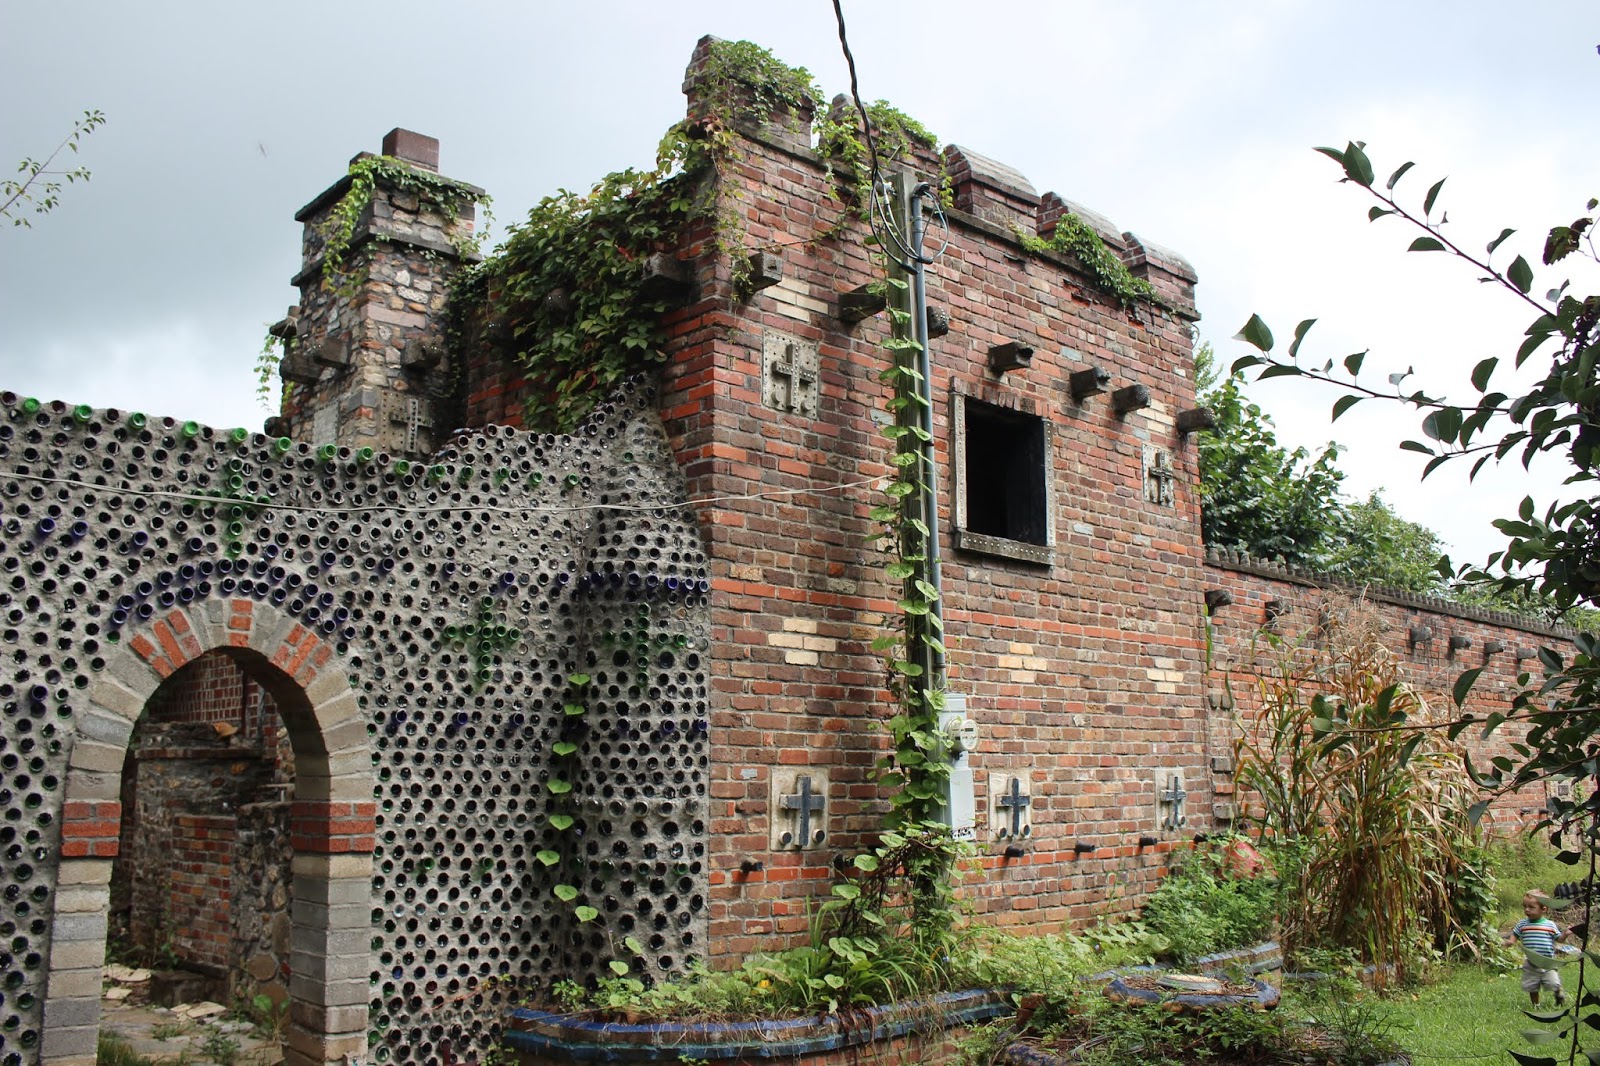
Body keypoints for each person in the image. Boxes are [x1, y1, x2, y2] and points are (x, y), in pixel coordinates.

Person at [1506, 891, 1567, 1007]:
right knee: (1531, 985)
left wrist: (1565, 934)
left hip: (1547, 962)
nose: (1527, 910)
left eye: (1531, 907)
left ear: (1543, 909)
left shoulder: (1550, 925)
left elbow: (1559, 939)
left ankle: (1558, 993)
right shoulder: (1522, 924)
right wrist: (1511, 941)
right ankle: (1536, 1005)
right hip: (1531, 962)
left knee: (1553, 982)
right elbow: (1515, 933)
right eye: (1525, 906)